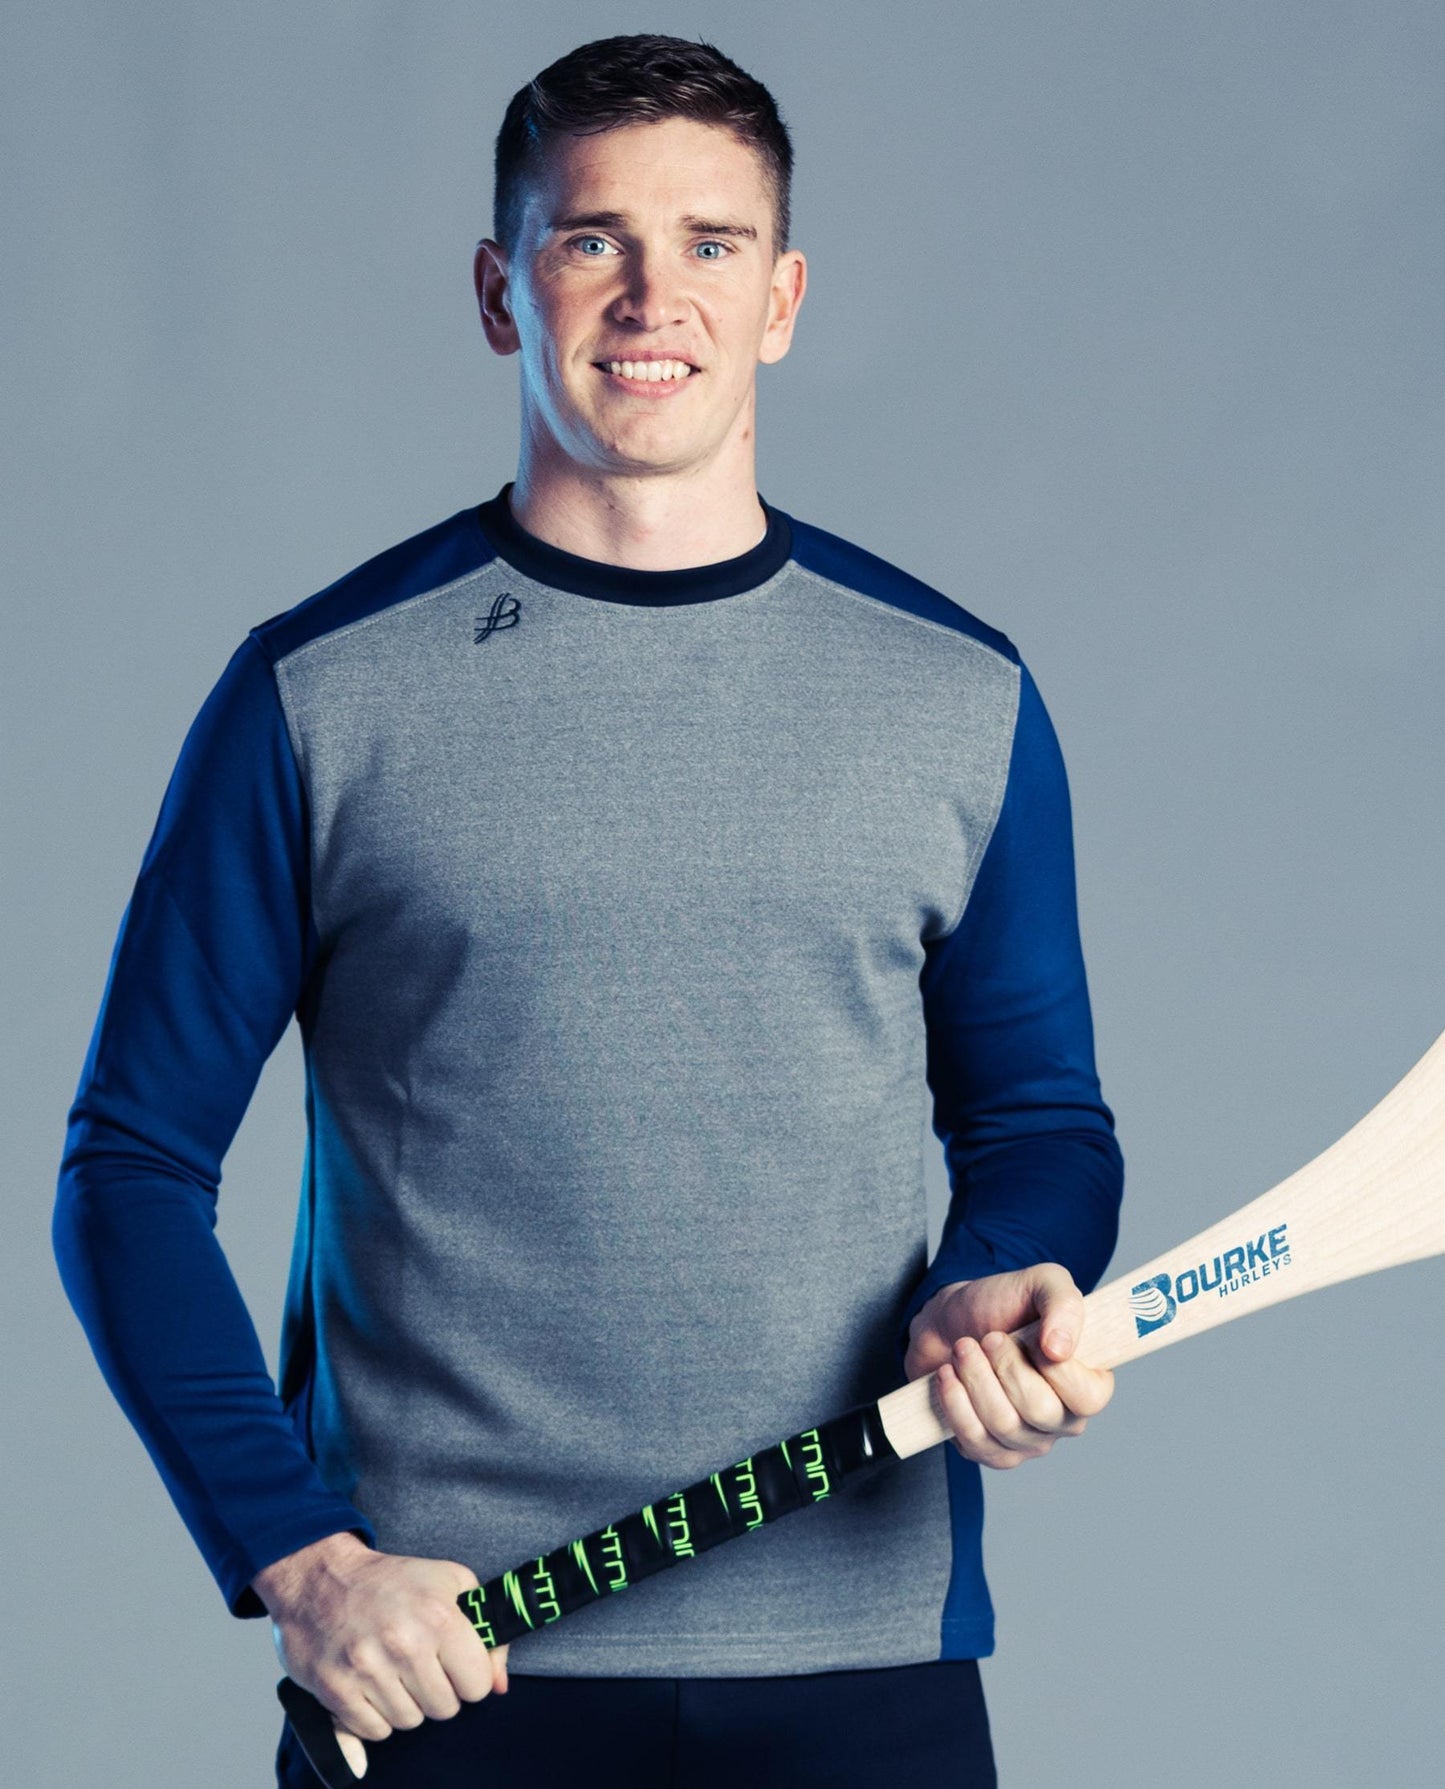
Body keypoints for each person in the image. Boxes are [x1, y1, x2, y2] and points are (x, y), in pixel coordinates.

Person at [54, 32, 1123, 1789]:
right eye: (590, 239)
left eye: (709, 242)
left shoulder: (958, 695)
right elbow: (130, 1165)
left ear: (779, 298)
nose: (652, 296)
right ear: (501, 290)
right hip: (443, 1667)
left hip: (861, 1661)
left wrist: (999, 1273)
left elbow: (1038, 1124)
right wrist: (300, 1559)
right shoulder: (317, 694)